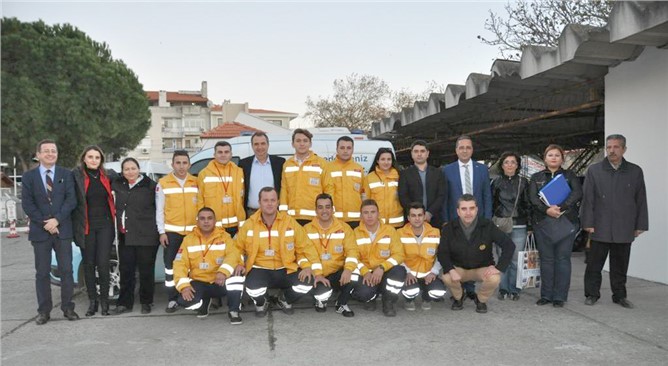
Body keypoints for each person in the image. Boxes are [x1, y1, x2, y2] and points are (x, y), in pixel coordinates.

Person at [237, 187, 327, 316]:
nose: (269, 203)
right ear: (259, 202)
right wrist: (240, 263)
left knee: (307, 281)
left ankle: (284, 299)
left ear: (278, 202)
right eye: (265, 200)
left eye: (273, 200)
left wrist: (316, 271)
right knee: (252, 288)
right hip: (260, 268)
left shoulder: (290, 222)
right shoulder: (248, 225)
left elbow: (306, 247)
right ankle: (262, 302)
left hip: (286, 268)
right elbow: (237, 248)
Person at [581, 134, 648, 309]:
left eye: (616, 147)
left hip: (624, 226)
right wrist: (587, 222)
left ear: (624, 149)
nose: (612, 150)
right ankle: (592, 294)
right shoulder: (594, 170)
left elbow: (641, 199)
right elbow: (588, 199)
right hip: (599, 226)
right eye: (609, 147)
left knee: (620, 265)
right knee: (594, 265)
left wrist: (640, 224)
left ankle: (619, 296)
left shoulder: (635, 171)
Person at [22, 139, 79, 324]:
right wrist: (45, 222)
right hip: (40, 232)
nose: (50, 154)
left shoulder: (66, 174)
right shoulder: (29, 177)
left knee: (67, 270)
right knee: (42, 273)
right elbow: (27, 204)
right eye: (46, 151)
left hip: (62, 230)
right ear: (38, 154)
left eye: (53, 151)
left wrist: (57, 220)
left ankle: (68, 308)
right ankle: (44, 311)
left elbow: (71, 200)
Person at [437, 195, 515, 313]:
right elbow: (442, 252)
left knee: (494, 278)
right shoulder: (449, 228)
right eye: (464, 209)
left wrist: (498, 268)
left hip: (482, 268)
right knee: (447, 277)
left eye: (471, 208)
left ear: (477, 209)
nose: (468, 213)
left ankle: (481, 300)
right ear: (458, 211)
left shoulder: (487, 226)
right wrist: (451, 270)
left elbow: (509, 245)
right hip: (459, 269)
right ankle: (459, 297)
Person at [528, 144, 582, 308]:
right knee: (546, 260)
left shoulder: (570, 175)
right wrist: (547, 210)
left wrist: (562, 207)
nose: (553, 158)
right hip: (543, 223)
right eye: (550, 155)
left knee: (563, 259)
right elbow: (532, 199)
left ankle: (559, 296)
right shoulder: (535, 177)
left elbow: (577, 193)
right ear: (545, 159)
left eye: (557, 155)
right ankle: (546, 295)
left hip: (565, 223)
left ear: (562, 159)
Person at [173, 207, 245, 324]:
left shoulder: (225, 237)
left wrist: (223, 271)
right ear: (197, 221)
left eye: (209, 218)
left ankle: (234, 310)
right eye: (202, 218)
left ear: (215, 221)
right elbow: (179, 264)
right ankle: (204, 302)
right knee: (184, 302)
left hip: (220, 282)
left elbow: (233, 255)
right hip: (200, 282)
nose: (206, 221)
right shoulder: (188, 240)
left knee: (237, 275)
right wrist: (184, 286)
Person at [442, 135, 492, 300]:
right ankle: (458, 288)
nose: (464, 150)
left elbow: (486, 195)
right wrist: (446, 220)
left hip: (477, 219)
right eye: (461, 147)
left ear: (472, 149)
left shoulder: (482, 169)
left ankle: (470, 288)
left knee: (474, 252)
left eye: (468, 147)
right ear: (456, 150)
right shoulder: (447, 170)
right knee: (457, 252)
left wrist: (487, 219)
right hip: (455, 219)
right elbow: (445, 196)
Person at [72, 145, 117, 317]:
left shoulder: (108, 175)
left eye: (97, 157)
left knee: (103, 264)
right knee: (89, 264)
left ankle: (105, 302)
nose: (93, 160)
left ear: (101, 160)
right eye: (90, 157)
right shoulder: (76, 176)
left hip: (105, 226)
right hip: (86, 227)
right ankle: (93, 302)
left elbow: (128, 178)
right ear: (84, 158)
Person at [112, 158, 160, 314]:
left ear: (139, 169)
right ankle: (125, 303)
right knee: (126, 270)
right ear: (122, 171)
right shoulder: (118, 185)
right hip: (126, 235)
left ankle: (147, 302)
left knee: (146, 271)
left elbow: (159, 209)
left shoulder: (150, 186)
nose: (130, 172)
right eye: (126, 169)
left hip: (146, 235)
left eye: (133, 168)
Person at [156, 150, 199, 313]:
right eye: (178, 163)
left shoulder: (196, 182)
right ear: (173, 164)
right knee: (170, 268)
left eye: (184, 163)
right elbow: (159, 210)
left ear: (189, 164)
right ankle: (172, 299)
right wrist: (162, 232)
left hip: (193, 233)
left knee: (192, 266)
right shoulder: (164, 183)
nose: (181, 166)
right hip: (172, 233)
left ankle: (192, 298)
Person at [303, 193, 359, 317]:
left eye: (327, 207)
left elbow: (352, 251)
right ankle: (320, 300)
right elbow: (301, 254)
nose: (324, 211)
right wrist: (317, 273)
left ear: (332, 209)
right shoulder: (306, 229)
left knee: (355, 275)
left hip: (336, 272)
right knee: (320, 291)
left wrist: (348, 269)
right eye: (320, 207)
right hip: (316, 274)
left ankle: (341, 303)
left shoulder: (344, 228)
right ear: (316, 210)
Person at [351, 199, 406, 317]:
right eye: (366, 213)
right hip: (366, 273)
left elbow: (399, 254)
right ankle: (370, 298)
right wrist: (365, 272)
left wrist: (382, 267)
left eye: (373, 212)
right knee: (363, 293)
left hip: (384, 271)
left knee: (399, 271)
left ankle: (388, 300)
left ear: (378, 213)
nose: (369, 216)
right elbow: (353, 257)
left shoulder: (390, 231)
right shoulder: (355, 233)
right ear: (361, 215)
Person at [491, 152, 531, 301]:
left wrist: (530, 225)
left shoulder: (524, 182)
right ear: (502, 165)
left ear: (517, 165)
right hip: (500, 224)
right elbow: (492, 204)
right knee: (502, 257)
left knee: (515, 259)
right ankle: (503, 288)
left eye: (513, 162)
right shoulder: (495, 182)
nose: (509, 165)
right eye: (506, 162)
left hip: (519, 224)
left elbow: (528, 204)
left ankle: (514, 289)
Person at [279, 128, 334, 226]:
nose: (302, 144)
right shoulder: (287, 165)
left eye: (305, 141)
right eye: (298, 141)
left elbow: (329, 189)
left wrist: (326, 213)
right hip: (292, 218)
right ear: (293, 144)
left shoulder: (321, 163)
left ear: (310, 144)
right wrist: (283, 214)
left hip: (315, 218)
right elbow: (284, 191)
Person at [398, 202, 446, 311]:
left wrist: (434, 271)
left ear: (424, 216)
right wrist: (407, 272)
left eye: (420, 215)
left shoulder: (435, 232)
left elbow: (441, 255)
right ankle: (409, 299)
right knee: (410, 291)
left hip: (428, 273)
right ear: (408, 218)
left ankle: (426, 298)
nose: (417, 219)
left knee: (439, 291)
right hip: (410, 274)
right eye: (413, 215)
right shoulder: (399, 233)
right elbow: (398, 256)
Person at [197, 141, 246, 237]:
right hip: (214, 227)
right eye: (220, 152)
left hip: (237, 227)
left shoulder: (239, 172)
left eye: (226, 152)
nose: (223, 155)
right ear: (214, 154)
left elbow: (243, 198)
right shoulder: (204, 174)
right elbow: (200, 201)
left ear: (231, 154)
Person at [398, 140, 447, 228]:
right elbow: (403, 196)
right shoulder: (405, 174)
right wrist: (416, 214)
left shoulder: (438, 173)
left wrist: (429, 213)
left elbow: (441, 195)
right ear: (412, 154)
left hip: (434, 219)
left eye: (422, 151)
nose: (419, 154)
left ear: (427, 153)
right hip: (412, 221)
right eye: (416, 151)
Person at [238, 132, 285, 217]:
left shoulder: (280, 163)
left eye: (263, 143)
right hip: (251, 213)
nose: (260, 147)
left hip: (274, 214)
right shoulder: (243, 164)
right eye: (256, 144)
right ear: (252, 146)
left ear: (268, 145)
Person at [329, 136, 365, 229]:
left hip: (355, 219)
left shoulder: (359, 169)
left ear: (353, 150)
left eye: (348, 148)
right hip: (333, 218)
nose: (345, 151)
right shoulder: (328, 168)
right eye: (342, 148)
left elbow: (363, 194)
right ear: (337, 149)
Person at [364, 148, 404, 228]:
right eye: (383, 159)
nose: (386, 162)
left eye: (389, 159)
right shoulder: (369, 178)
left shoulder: (400, 176)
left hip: (397, 223)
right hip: (377, 223)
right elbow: (366, 201)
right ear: (377, 161)